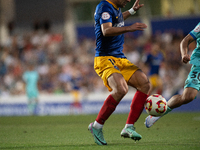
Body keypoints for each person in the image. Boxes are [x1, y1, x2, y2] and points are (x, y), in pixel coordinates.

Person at [88, 0, 150, 145]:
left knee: (144, 84)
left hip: (119, 57)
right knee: (121, 89)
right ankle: (97, 126)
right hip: (104, 58)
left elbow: (117, 19)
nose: (128, 0)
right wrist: (130, 28)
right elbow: (107, 30)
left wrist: (132, 11)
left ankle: (129, 127)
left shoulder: (115, 8)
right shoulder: (104, 6)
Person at [145, 22, 200, 128]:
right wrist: (184, 54)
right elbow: (185, 40)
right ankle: (159, 114)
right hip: (198, 65)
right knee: (188, 97)